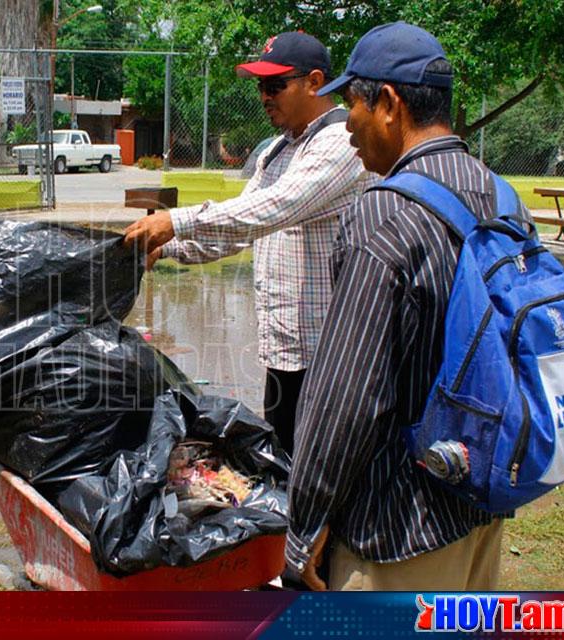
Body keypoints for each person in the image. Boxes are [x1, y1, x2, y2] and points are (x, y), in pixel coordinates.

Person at [285, 22, 516, 591]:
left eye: (351, 107)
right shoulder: (498, 194)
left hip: (398, 534)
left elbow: (344, 398)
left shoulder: (384, 216)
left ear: (387, 104)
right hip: (480, 506)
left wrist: (304, 522)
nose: (347, 130)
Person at [124, 31, 373, 455]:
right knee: (287, 458)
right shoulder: (278, 150)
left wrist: (177, 222)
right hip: (284, 347)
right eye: (260, 86)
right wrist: (164, 250)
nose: (264, 96)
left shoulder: (338, 144)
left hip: (328, 351)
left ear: (314, 82)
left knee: (322, 466)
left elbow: (274, 208)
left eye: (275, 85)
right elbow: (239, 227)